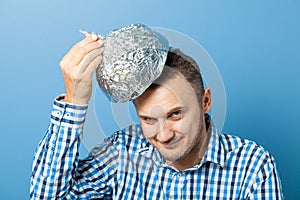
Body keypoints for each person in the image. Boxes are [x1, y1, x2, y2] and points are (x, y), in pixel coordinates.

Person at [30, 33, 284, 199]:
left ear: (205, 101)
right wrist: (75, 102)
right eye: (148, 120)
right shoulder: (122, 151)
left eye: (175, 114)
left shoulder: (252, 166)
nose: (162, 135)